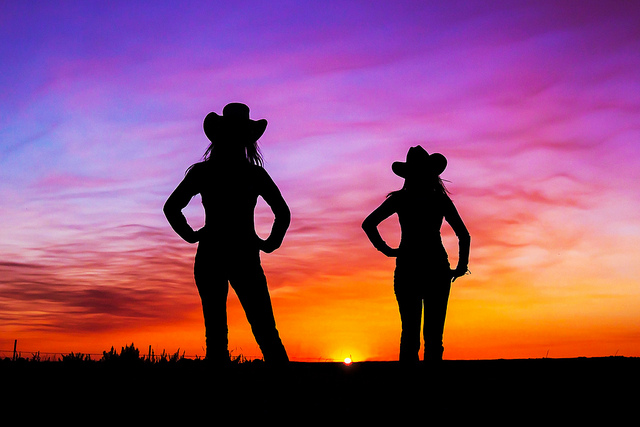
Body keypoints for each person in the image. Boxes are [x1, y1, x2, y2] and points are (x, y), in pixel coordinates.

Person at [163, 103, 290, 365]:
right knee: (265, 331)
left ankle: (220, 397)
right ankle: (285, 395)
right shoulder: (252, 173)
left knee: (218, 337)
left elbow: (171, 208)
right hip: (243, 254)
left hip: (212, 254)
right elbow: (283, 213)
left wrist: (192, 235)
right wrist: (268, 243)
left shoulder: (204, 172)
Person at [362, 145, 470, 363]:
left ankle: (409, 389)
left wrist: (387, 250)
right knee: (433, 338)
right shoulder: (438, 199)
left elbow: (368, 224)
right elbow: (464, 235)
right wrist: (461, 266)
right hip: (436, 268)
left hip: (408, 268)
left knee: (410, 335)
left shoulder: (401, 199)